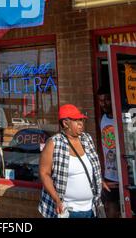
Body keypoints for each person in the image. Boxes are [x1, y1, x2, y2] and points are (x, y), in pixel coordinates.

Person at [38, 104, 103, 218]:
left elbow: (91, 166)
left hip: (91, 207)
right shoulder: (54, 143)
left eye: (82, 120)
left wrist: (99, 179)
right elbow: (44, 173)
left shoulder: (87, 139)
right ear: (65, 123)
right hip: (68, 210)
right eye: (76, 120)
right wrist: (57, 199)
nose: (81, 123)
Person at [97, 86, 121, 218]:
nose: (104, 103)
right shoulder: (103, 119)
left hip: (127, 174)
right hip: (110, 175)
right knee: (111, 207)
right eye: (101, 100)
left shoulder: (122, 117)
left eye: (106, 99)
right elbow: (102, 147)